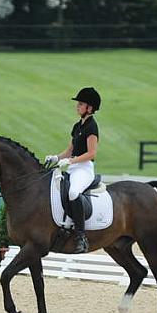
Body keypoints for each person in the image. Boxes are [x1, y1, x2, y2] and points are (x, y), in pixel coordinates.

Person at [45, 87, 101, 253]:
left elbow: (91, 153)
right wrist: (57, 158)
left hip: (84, 168)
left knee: (73, 193)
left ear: (89, 108)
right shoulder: (78, 126)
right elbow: (70, 150)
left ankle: (81, 236)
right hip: (73, 166)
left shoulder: (92, 126)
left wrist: (70, 161)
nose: (77, 106)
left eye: (81, 103)